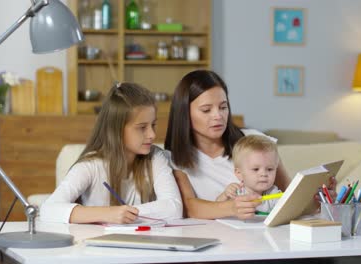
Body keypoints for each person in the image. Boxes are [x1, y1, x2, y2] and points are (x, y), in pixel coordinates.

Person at [165, 70, 336, 220]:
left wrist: (317, 200)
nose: (218, 116)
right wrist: (232, 207)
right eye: (206, 110)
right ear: (184, 112)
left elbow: (289, 197)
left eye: (223, 107)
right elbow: (189, 207)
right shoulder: (174, 158)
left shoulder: (254, 140)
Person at [40, 82, 182, 224]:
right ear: (116, 130)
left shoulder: (156, 157)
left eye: (153, 125)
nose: (152, 134)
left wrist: (126, 213)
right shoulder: (91, 166)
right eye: (142, 127)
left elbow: (174, 208)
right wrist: (107, 213)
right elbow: (48, 209)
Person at [216, 135, 282, 214]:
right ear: (239, 173)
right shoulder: (237, 192)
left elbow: (286, 211)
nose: (264, 174)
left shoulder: (274, 193)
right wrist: (225, 195)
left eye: (270, 169)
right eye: (256, 169)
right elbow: (216, 207)